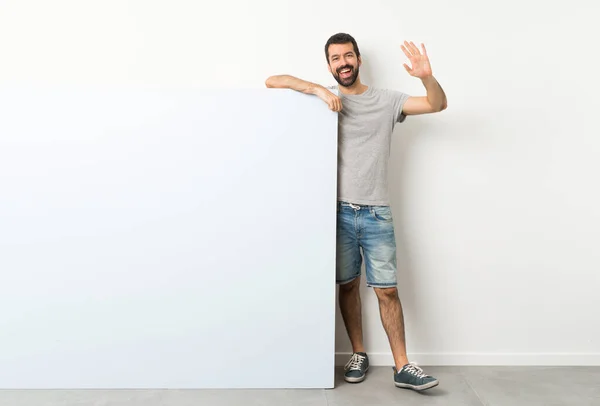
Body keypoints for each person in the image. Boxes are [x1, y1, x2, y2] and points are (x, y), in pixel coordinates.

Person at [265, 33, 447, 391]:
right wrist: (317, 90)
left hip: (377, 212)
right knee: (347, 286)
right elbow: (273, 81)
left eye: (348, 56)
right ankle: (358, 353)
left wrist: (426, 76)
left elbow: (436, 104)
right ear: (329, 65)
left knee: (387, 291)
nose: (343, 63)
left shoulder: (386, 100)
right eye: (335, 58)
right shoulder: (323, 100)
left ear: (359, 60)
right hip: (336, 213)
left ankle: (402, 365)